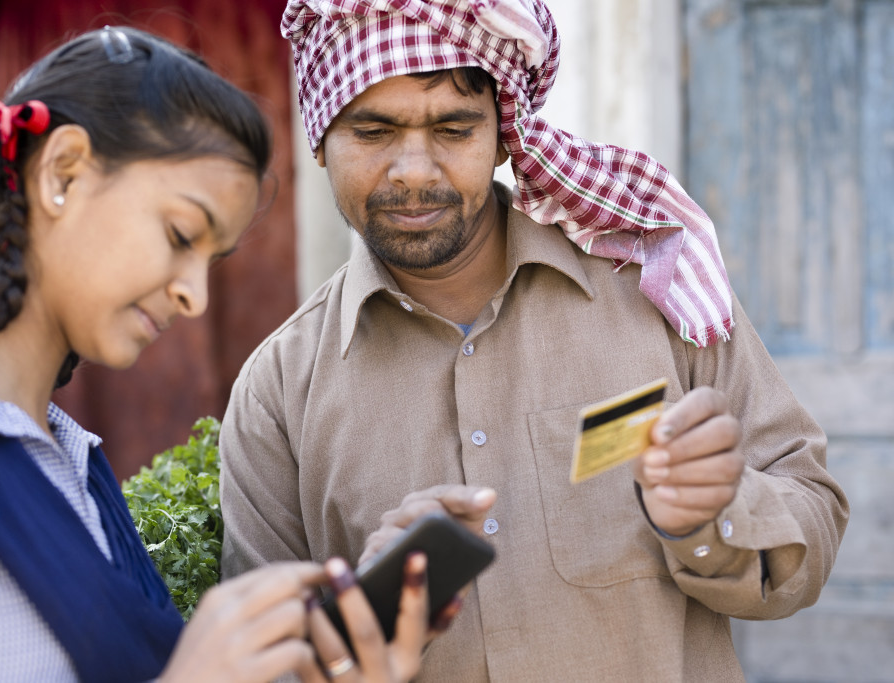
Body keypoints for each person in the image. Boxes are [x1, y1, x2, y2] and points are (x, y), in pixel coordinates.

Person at [219, 1, 850, 681]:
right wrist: (367, 609)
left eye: (453, 128)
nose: (413, 170)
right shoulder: (278, 391)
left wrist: (715, 514)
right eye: (372, 130)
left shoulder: (659, 292)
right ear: (319, 140)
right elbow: (264, 662)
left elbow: (811, 517)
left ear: (502, 136)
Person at [0, 25, 435, 683]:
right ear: (64, 171)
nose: (194, 296)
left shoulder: (68, 462)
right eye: (179, 234)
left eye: (210, 260)